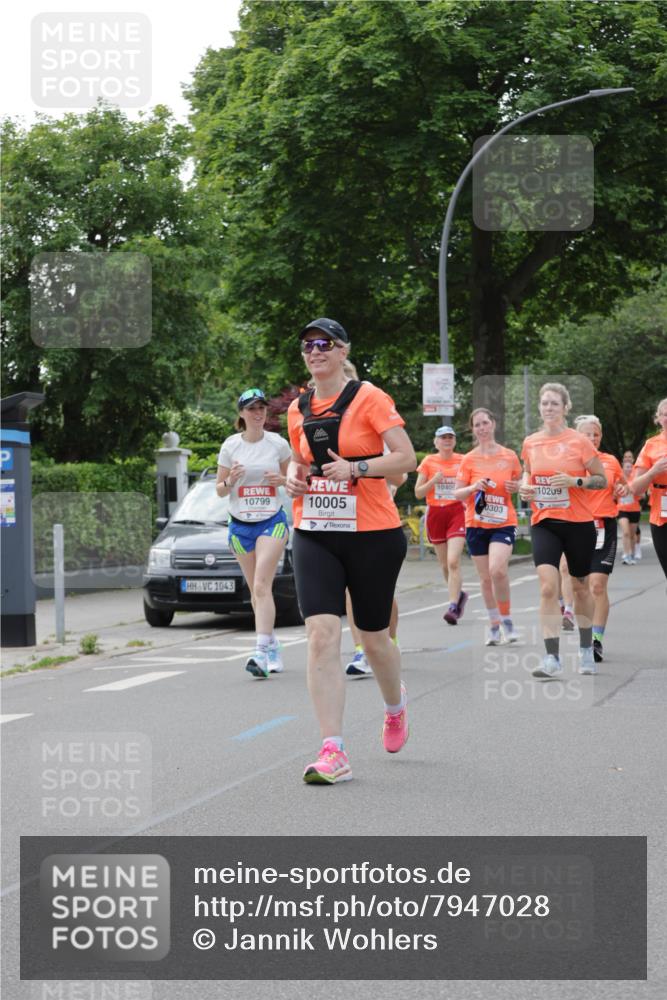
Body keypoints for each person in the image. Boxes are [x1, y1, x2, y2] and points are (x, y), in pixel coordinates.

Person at [285, 317, 417, 784]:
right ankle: (332, 749)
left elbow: (406, 458)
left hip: (372, 533)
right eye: (307, 345)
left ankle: (395, 705)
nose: (314, 351)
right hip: (315, 530)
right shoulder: (298, 408)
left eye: (323, 344)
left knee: (374, 638)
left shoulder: (369, 397)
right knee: (322, 633)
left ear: (342, 351)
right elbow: (302, 463)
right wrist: (295, 477)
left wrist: (358, 467)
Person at [519, 383, 606, 677]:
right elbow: (527, 473)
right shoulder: (531, 442)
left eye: (554, 403)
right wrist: (525, 488)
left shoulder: (579, 442)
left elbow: (601, 479)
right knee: (547, 586)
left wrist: (574, 482)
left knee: (581, 587)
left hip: (579, 523)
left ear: (565, 408)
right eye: (544, 403)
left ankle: (585, 651)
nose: (548, 408)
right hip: (544, 521)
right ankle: (552, 658)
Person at [216, 388, 292, 678]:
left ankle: (260, 652)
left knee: (262, 584)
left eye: (261, 408)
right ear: (241, 414)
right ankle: (271, 644)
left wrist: (281, 480)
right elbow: (220, 490)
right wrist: (231, 480)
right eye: (251, 409)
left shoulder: (277, 444)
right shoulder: (231, 446)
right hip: (239, 526)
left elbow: (293, 480)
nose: (258, 413)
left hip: (271, 521)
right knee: (257, 591)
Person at [454, 408, 522, 645]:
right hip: (476, 523)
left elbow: (520, 481)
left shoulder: (509, 456)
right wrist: (473, 488)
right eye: (477, 425)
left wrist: (517, 487)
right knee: (485, 579)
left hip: (503, 522)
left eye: (485, 423)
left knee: (498, 571)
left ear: (493, 424)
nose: (482, 428)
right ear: (473, 429)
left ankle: (507, 619)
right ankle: (494, 624)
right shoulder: (468, 459)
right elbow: (457, 493)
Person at [567, 415, 627, 663]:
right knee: (579, 587)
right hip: (577, 526)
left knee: (598, 586)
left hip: (605, 525)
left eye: (596, 434)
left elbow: (624, 486)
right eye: (586, 434)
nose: (592, 438)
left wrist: (622, 489)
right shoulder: (569, 462)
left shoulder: (610, 461)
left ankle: (597, 640)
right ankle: (584, 637)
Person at [414, 427, 468, 624]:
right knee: (445, 565)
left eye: (450, 437)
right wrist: (433, 481)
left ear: (454, 441)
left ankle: (453, 606)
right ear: (436, 442)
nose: (446, 441)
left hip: (457, 512)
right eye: (442, 438)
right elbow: (418, 493)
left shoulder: (463, 460)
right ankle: (458, 595)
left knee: (454, 561)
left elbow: (470, 484)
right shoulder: (429, 461)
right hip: (436, 513)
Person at [631, 397, 667, 580]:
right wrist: (653, 471)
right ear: (658, 418)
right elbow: (635, 489)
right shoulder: (651, 445)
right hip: (661, 516)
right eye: (664, 414)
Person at [618, 454, 643, 564]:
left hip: (634, 510)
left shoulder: (635, 479)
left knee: (632, 535)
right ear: (622, 468)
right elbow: (613, 494)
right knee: (626, 533)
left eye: (630, 467)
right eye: (626, 467)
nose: (628, 469)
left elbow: (642, 495)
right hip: (622, 509)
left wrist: (634, 491)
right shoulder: (618, 479)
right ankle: (626, 555)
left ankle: (632, 554)